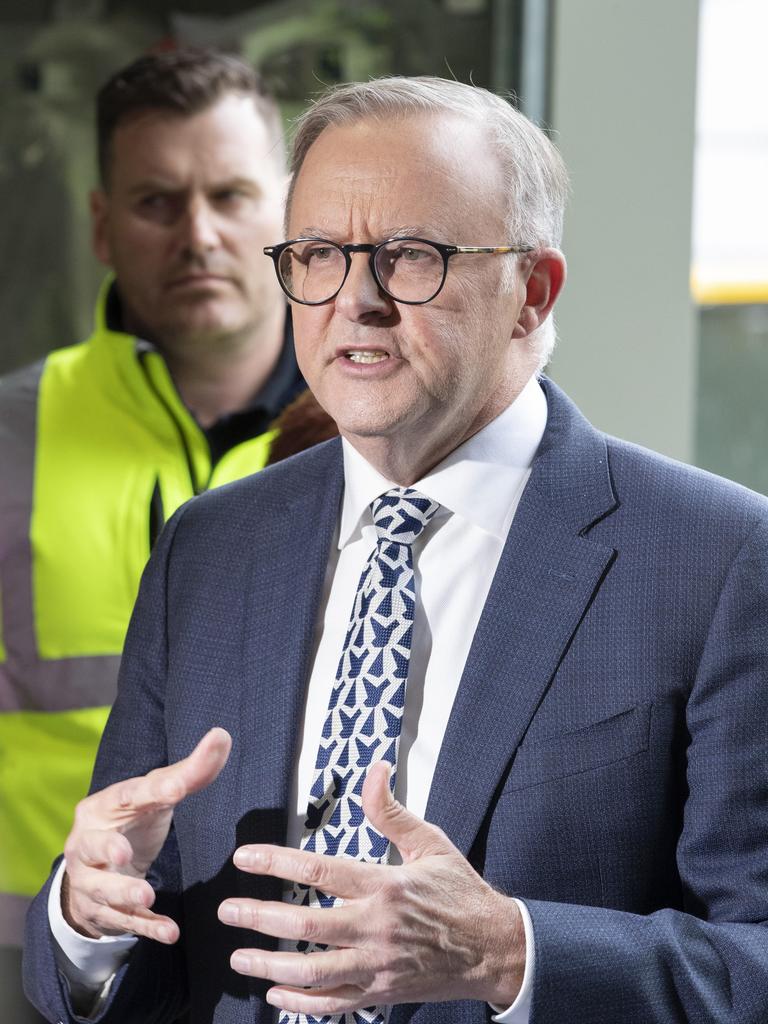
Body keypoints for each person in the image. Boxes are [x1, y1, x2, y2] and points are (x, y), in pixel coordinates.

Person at [24, 76, 768, 1024]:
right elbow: (112, 951)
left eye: (412, 256)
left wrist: (510, 955)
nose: (357, 301)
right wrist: (86, 918)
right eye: (320, 254)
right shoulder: (208, 549)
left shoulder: (722, 561)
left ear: (530, 293)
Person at [0, 47, 334, 1021]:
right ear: (102, 226)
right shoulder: (10, 436)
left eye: (231, 195)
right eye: (157, 203)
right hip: (41, 952)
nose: (199, 235)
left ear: (287, 211)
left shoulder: (375, 433)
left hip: (290, 959)